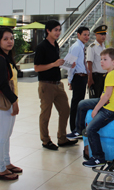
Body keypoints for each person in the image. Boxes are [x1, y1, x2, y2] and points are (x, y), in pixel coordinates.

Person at [34, 20, 78, 151]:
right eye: (56, 30)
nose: (58, 32)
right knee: (46, 114)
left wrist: (67, 64)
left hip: (58, 84)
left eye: (59, 30)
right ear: (48, 30)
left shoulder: (55, 45)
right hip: (46, 85)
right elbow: (37, 68)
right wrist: (53, 64)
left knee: (65, 110)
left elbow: (56, 63)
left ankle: (62, 138)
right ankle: (45, 140)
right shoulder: (41, 47)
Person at [78, 48, 114, 167]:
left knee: (91, 129)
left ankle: (99, 157)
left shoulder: (112, 75)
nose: (101, 62)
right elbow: (106, 93)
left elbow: (107, 95)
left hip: (111, 110)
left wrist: (96, 109)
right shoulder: (112, 73)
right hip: (108, 104)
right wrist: (101, 98)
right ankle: (78, 131)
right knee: (82, 104)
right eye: (101, 59)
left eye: (105, 59)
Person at [0, 27, 22, 181]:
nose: (10, 41)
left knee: (6, 135)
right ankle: (0, 169)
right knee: (1, 136)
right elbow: (3, 85)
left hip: (8, 101)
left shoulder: (6, 57)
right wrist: (14, 101)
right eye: (5, 39)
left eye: (11, 38)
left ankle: (6, 163)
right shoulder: (0, 59)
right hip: (3, 103)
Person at [67, 26, 90, 133]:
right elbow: (69, 64)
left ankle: (77, 127)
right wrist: (70, 80)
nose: (87, 37)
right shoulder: (76, 47)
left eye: (88, 35)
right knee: (76, 105)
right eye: (84, 34)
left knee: (79, 103)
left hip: (82, 78)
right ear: (78, 35)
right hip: (78, 77)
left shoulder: (81, 46)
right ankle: (74, 129)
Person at [87, 25, 108, 98]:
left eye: (104, 34)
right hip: (96, 77)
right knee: (95, 98)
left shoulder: (104, 47)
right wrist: (90, 78)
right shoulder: (92, 47)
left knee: (103, 98)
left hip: (104, 76)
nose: (103, 36)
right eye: (101, 34)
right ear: (96, 35)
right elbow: (89, 64)